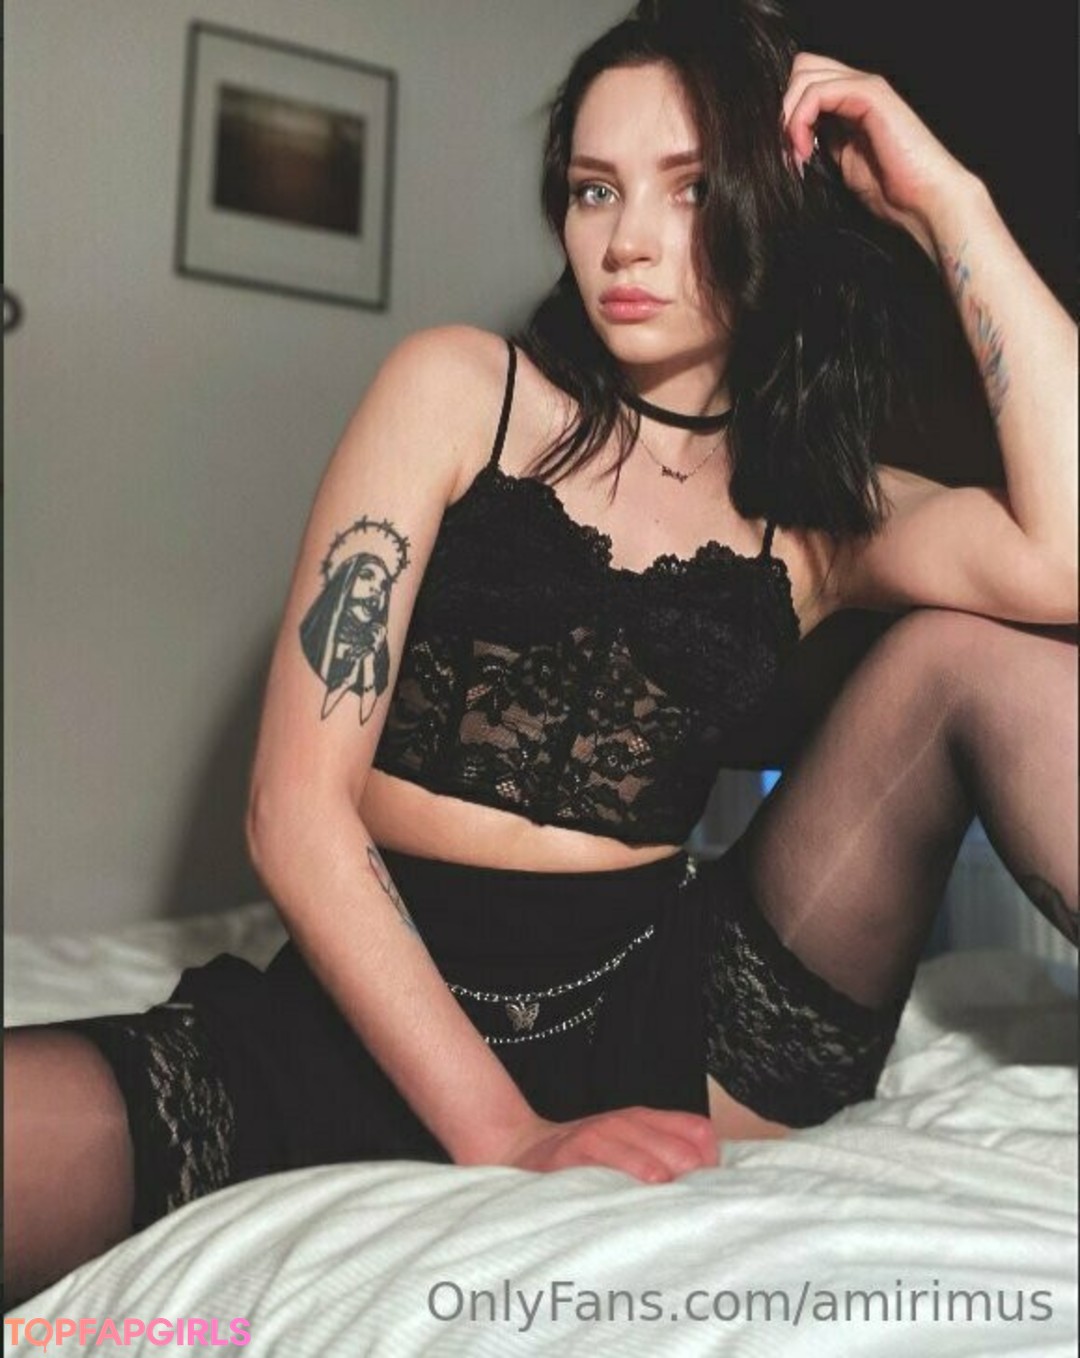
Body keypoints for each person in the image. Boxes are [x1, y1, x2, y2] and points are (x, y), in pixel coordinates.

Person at [5, 0, 1076, 1308]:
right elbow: (293, 811)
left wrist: (948, 198)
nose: (626, 239)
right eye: (593, 188)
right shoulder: (462, 389)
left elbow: (1066, 558)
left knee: (971, 657)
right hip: (358, 1019)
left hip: (673, 1017)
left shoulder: (815, 512)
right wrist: (506, 1135)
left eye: (689, 189)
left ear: (765, 204)